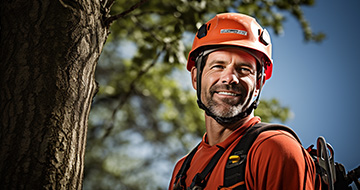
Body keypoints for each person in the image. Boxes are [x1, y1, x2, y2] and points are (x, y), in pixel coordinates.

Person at [168, 13, 319, 190]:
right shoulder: (182, 170)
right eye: (218, 66)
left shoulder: (274, 149)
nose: (229, 78)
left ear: (258, 84)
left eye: (244, 69)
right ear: (196, 77)